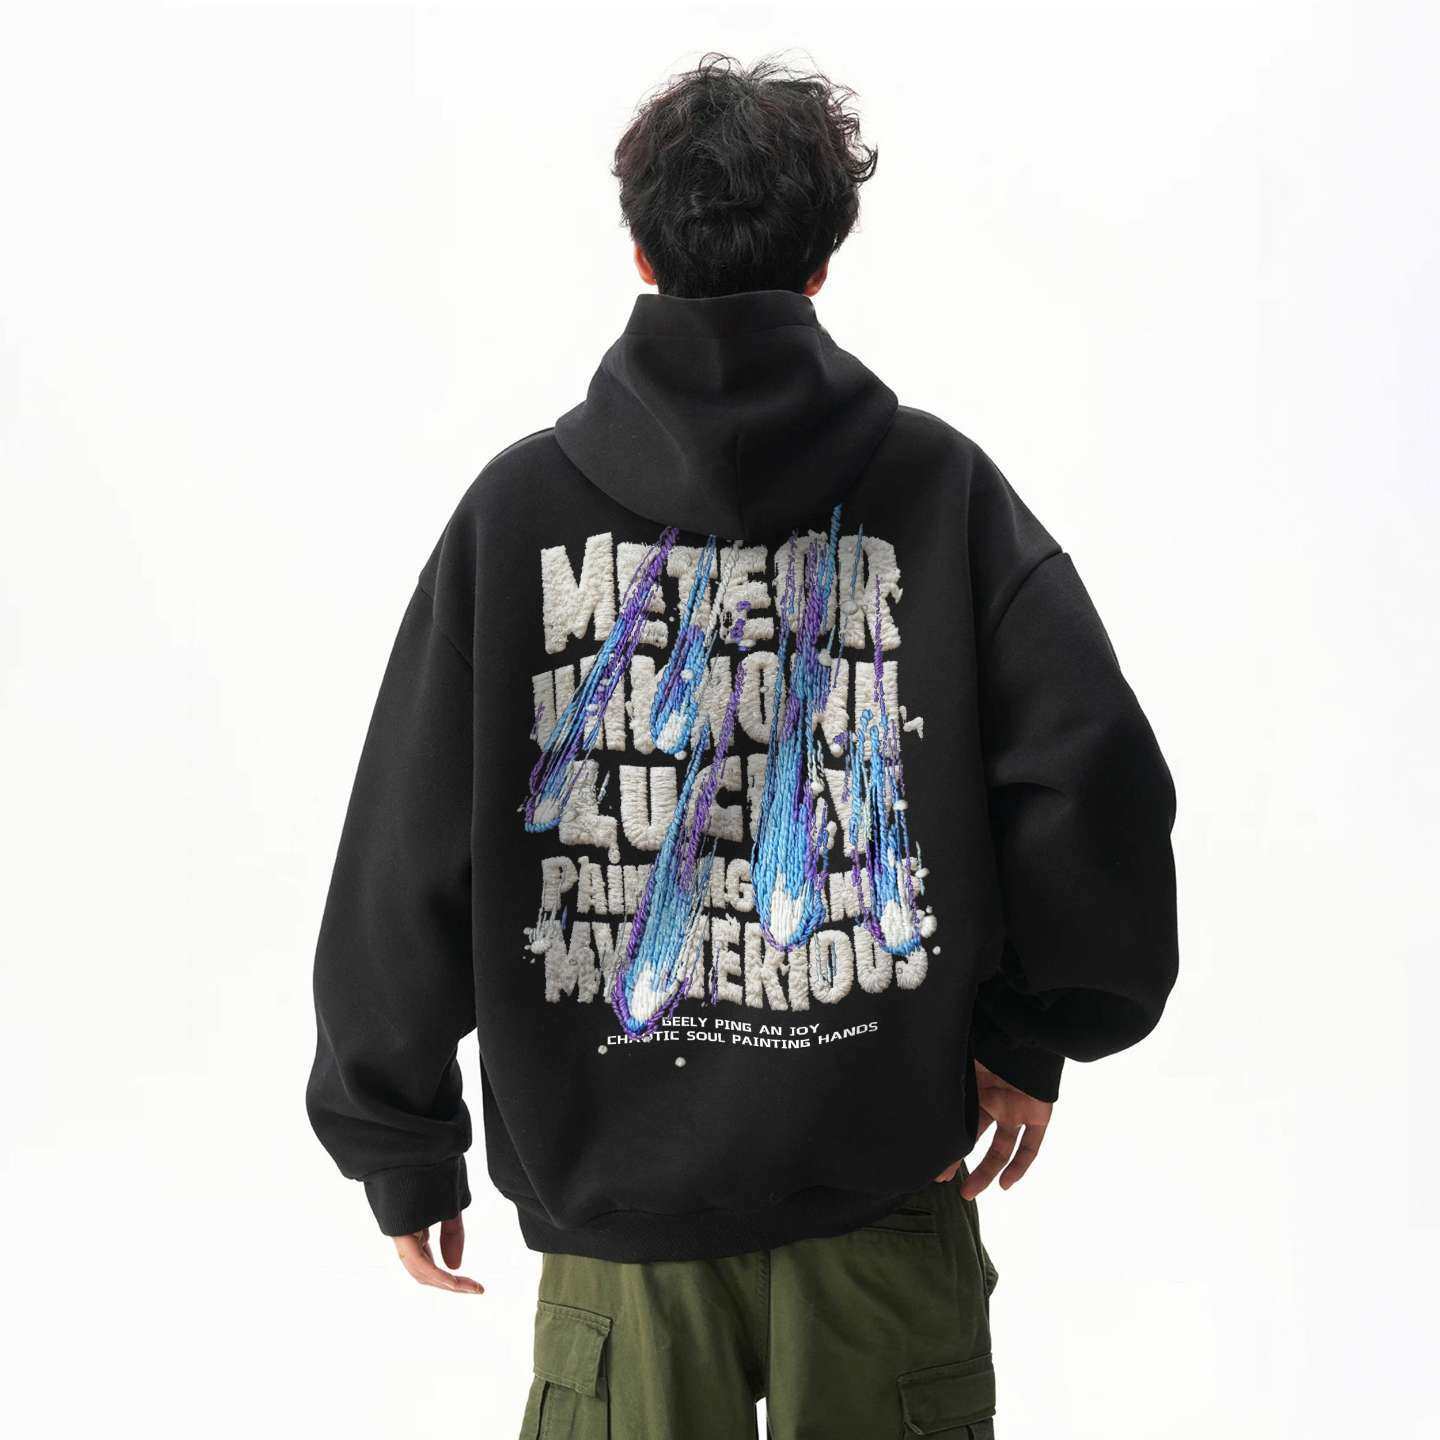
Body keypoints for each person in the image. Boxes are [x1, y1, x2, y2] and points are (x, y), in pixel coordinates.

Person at [306, 52, 1178, 1439]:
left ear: (641, 254)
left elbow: (406, 847)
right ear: (823, 264)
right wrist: (1037, 1031)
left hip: (621, 1240)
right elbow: (1092, 779)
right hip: (886, 1201)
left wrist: (398, 1137)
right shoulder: (943, 494)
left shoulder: (515, 517)